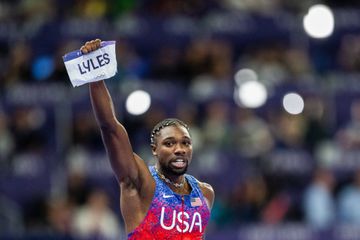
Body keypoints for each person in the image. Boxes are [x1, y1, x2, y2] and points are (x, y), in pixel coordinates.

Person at [79, 39, 215, 239]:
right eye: (169, 143)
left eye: (185, 142)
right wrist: (96, 79)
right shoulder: (140, 181)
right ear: (154, 149)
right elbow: (110, 128)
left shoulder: (204, 193)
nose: (179, 149)